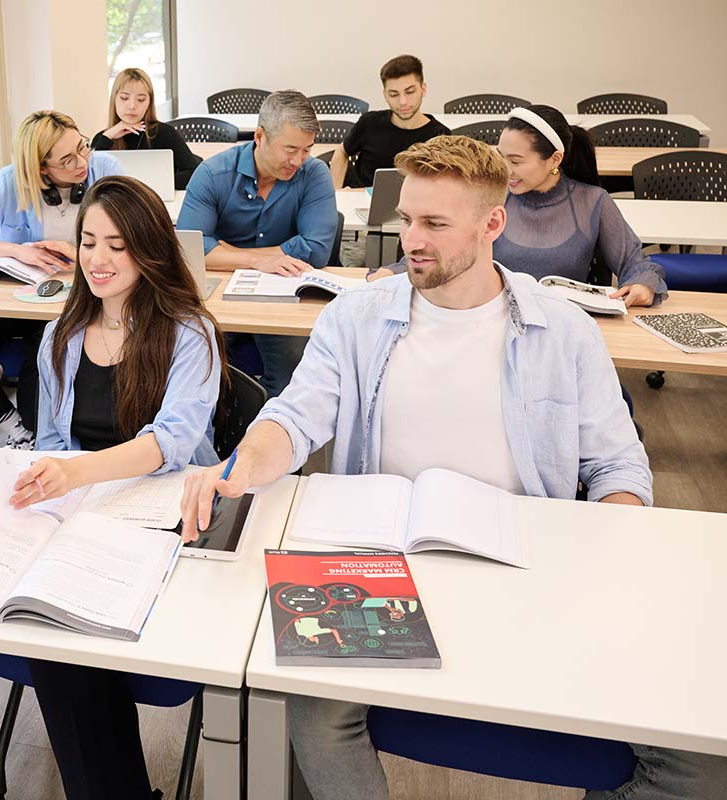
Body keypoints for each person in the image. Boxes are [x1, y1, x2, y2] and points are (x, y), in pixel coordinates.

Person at [180, 135, 726, 800]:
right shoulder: (354, 318)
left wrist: (605, 552)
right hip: (380, 568)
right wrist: (240, 466)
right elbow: (293, 419)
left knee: (699, 756)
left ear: (492, 223)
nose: (412, 239)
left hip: (527, 568)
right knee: (311, 711)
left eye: (435, 224)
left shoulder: (564, 328)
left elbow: (618, 468)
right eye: (406, 219)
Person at [10, 175, 227, 800]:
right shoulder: (62, 334)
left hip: (173, 515)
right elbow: (52, 440)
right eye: (88, 242)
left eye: (118, 246)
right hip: (86, 517)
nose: (99, 260)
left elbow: (173, 444)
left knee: (75, 634)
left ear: (150, 250)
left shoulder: (190, 331)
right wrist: (59, 489)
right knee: (54, 629)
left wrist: (77, 473)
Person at [0, 110, 124, 443]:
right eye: (67, 160)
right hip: (30, 298)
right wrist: (17, 251)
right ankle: (4, 419)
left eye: (83, 148)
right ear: (41, 168)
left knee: (43, 345)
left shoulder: (105, 171)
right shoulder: (11, 182)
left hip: (90, 296)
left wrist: (78, 251)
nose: (81, 162)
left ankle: (38, 434)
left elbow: (132, 237)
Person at [375, 105, 667, 306]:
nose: (506, 170)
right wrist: (393, 271)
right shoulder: (493, 195)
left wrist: (642, 286)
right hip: (490, 325)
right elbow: (447, 245)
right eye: (501, 156)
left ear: (554, 159)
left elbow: (636, 263)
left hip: (562, 329)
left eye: (516, 161)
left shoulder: (592, 201)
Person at [177, 89, 337, 396]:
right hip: (217, 293)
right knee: (192, 361)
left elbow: (316, 249)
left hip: (286, 292)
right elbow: (192, 250)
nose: (298, 161)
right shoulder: (213, 174)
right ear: (260, 136)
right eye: (290, 149)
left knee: (294, 367)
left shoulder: (315, 173)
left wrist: (225, 252)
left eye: (306, 150)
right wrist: (257, 260)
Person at [328, 54, 450, 190]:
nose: (403, 101)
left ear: (423, 89)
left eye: (410, 92)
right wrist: (337, 193)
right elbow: (342, 151)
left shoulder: (440, 136)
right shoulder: (369, 123)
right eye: (394, 94)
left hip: (415, 206)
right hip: (362, 202)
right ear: (385, 95)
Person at [92, 67, 203, 190]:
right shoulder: (103, 138)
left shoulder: (165, 133)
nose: (132, 106)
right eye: (124, 98)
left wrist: (149, 185)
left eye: (141, 99)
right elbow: (93, 179)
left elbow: (193, 173)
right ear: (114, 100)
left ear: (149, 103)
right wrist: (108, 136)